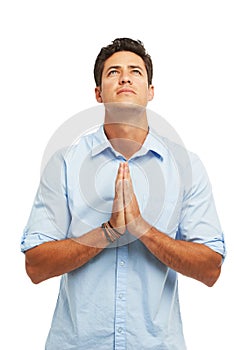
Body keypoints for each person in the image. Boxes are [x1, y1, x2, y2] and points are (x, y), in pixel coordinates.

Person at [21, 38, 226, 350]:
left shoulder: (186, 166)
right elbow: (35, 266)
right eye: (113, 71)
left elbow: (211, 268)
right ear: (98, 93)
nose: (125, 77)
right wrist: (108, 232)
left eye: (136, 72)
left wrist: (142, 229)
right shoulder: (64, 163)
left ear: (151, 91)